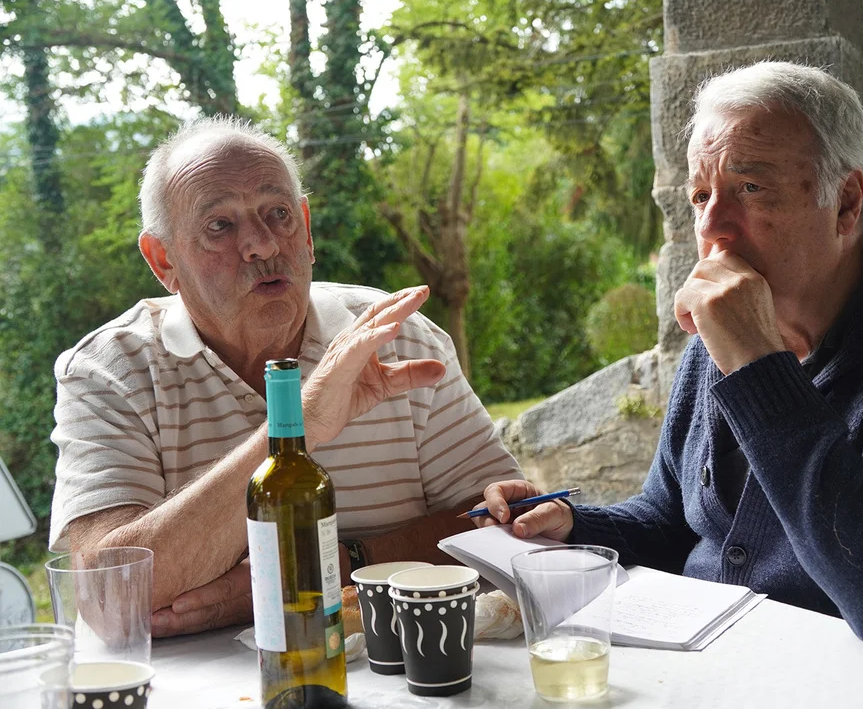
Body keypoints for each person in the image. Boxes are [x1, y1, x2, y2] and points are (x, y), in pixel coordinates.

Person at [475, 61, 863, 663]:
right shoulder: (718, 340)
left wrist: (756, 364)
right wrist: (574, 525)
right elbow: (670, 519)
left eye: (750, 187)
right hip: (716, 672)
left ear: (846, 201)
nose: (713, 227)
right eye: (700, 196)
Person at [49, 117, 522, 637]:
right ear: (164, 261)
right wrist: (301, 424)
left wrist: (317, 571)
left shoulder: (399, 337)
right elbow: (107, 594)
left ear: (306, 228)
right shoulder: (109, 371)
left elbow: (502, 519)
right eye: (220, 226)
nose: (262, 245)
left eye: (278, 214)